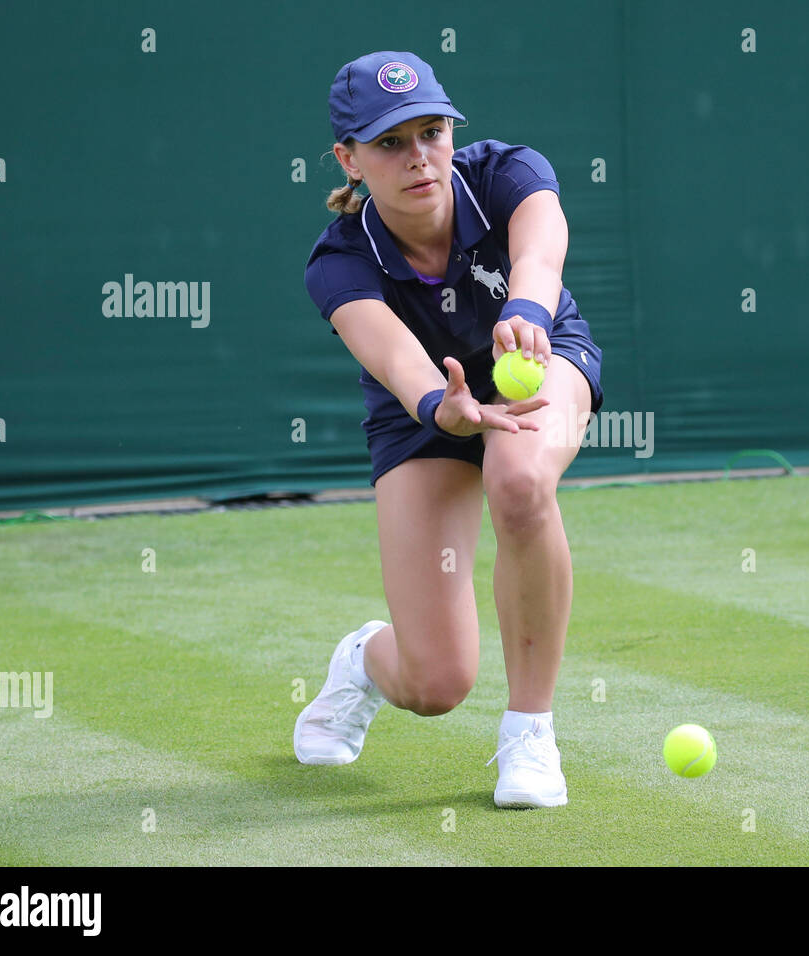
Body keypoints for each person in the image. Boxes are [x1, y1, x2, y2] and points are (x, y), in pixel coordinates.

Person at [296, 51, 604, 809]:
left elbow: (540, 250)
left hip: (542, 356)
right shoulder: (338, 263)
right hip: (425, 416)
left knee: (521, 480)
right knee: (436, 685)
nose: (419, 157)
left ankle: (530, 736)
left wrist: (526, 313)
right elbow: (398, 362)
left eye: (431, 131)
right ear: (350, 159)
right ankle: (366, 663)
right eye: (390, 143)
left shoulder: (506, 173)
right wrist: (444, 405)